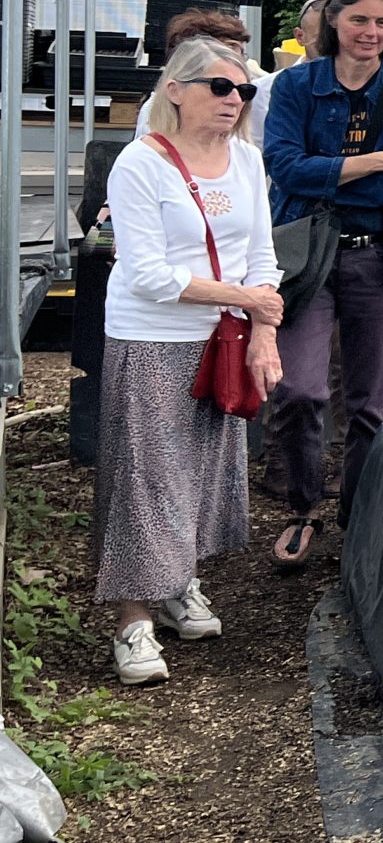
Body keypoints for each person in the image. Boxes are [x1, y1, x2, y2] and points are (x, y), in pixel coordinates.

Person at [96, 38, 283, 684]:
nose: (235, 100)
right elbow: (147, 273)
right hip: (152, 338)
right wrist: (249, 301)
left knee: (206, 471)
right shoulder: (140, 164)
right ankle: (133, 620)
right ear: (175, 89)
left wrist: (262, 329)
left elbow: (263, 253)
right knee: (148, 477)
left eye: (244, 91)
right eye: (220, 87)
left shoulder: (246, 161)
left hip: (222, 339)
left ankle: (178, 583)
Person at [263, 0, 383, 567]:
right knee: (299, 388)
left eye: (381, 22)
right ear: (334, 23)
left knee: (368, 401)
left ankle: (356, 512)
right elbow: (284, 167)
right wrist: (375, 159)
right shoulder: (295, 85)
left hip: (382, 256)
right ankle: (303, 504)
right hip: (306, 257)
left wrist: (340, 171)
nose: (371, 31)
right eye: (359, 19)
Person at [249, 0, 325, 144]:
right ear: (299, 36)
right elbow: (258, 151)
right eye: (321, 40)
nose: (331, 48)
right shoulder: (264, 90)